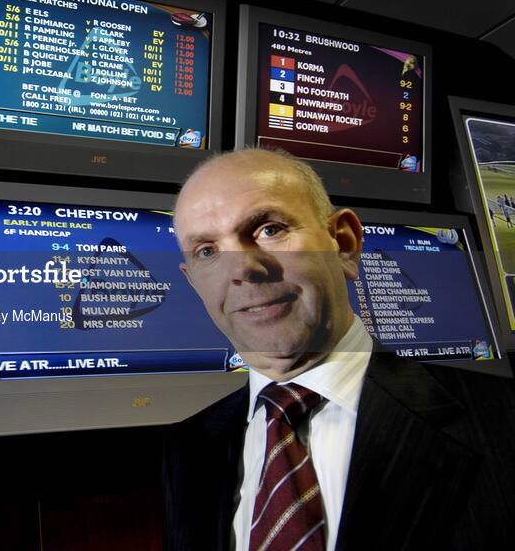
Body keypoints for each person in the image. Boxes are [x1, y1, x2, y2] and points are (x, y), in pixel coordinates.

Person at [161, 148, 515, 551]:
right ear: (193, 283)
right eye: (207, 252)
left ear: (344, 244)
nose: (241, 269)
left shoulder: (502, 421)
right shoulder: (189, 448)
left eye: (269, 229)